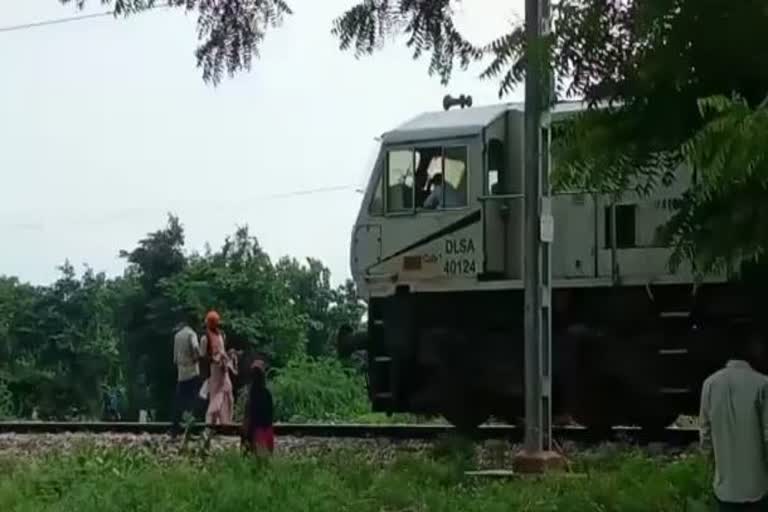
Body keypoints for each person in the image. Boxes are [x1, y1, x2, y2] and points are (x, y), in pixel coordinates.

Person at [699, 328, 768, 511]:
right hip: (758, 486)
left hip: (725, 487)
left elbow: (705, 434)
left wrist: (710, 466)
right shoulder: (763, 384)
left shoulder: (710, 384)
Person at [200, 310, 236, 425]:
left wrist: (228, 357)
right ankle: (211, 421)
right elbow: (203, 355)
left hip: (223, 368)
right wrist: (214, 359)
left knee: (228, 393)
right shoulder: (205, 338)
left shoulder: (221, 335)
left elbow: (222, 350)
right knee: (217, 395)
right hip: (215, 369)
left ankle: (225, 420)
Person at [171, 311, 201, 436]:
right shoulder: (192, 334)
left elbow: (174, 358)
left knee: (179, 401)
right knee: (192, 401)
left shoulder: (177, 335)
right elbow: (195, 348)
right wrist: (196, 357)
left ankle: (175, 428)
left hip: (181, 373)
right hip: (192, 372)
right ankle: (191, 428)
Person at [242, 360, 274, 455]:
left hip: (257, 431)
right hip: (265, 431)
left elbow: (247, 416)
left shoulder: (251, 395)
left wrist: (245, 433)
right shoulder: (267, 394)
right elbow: (271, 415)